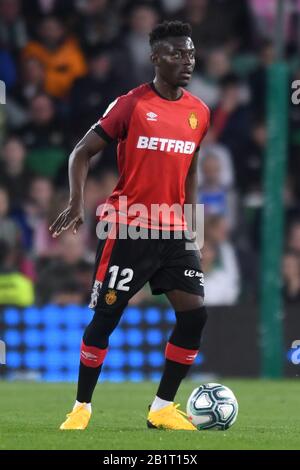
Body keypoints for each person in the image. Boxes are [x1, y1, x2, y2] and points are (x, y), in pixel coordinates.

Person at [50, 21, 210, 431]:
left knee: (194, 316)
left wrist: (192, 225)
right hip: (129, 227)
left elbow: (190, 169)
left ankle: (161, 408)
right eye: (176, 54)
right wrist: (76, 201)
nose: (186, 61)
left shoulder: (199, 112)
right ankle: (81, 407)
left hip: (174, 231)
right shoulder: (131, 105)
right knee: (107, 318)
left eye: (190, 54)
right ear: (155, 58)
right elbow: (82, 153)